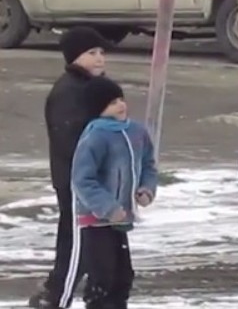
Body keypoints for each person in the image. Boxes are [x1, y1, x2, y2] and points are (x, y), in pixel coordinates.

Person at [29, 27, 110, 309]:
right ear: (75, 57)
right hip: (78, 182)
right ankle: (54, 296)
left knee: (98, 245)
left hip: (98, 184)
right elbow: (71, 139)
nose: (100, 58)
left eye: (102, 52)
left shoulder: (95, 87)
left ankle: (95, 296)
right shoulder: (69, 92)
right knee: (76, 244)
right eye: (92, 53)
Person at [71, 76, 159, 309]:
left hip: (122, 217)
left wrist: (146, 189)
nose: (120, 105)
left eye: (121, 99)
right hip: (96, 219)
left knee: (123, 277)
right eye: (111, 103)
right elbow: (82, 179)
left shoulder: (136, 131)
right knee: (103, 277)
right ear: (98, 109)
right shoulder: (95, 136)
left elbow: (149, 164)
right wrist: (108, 208)